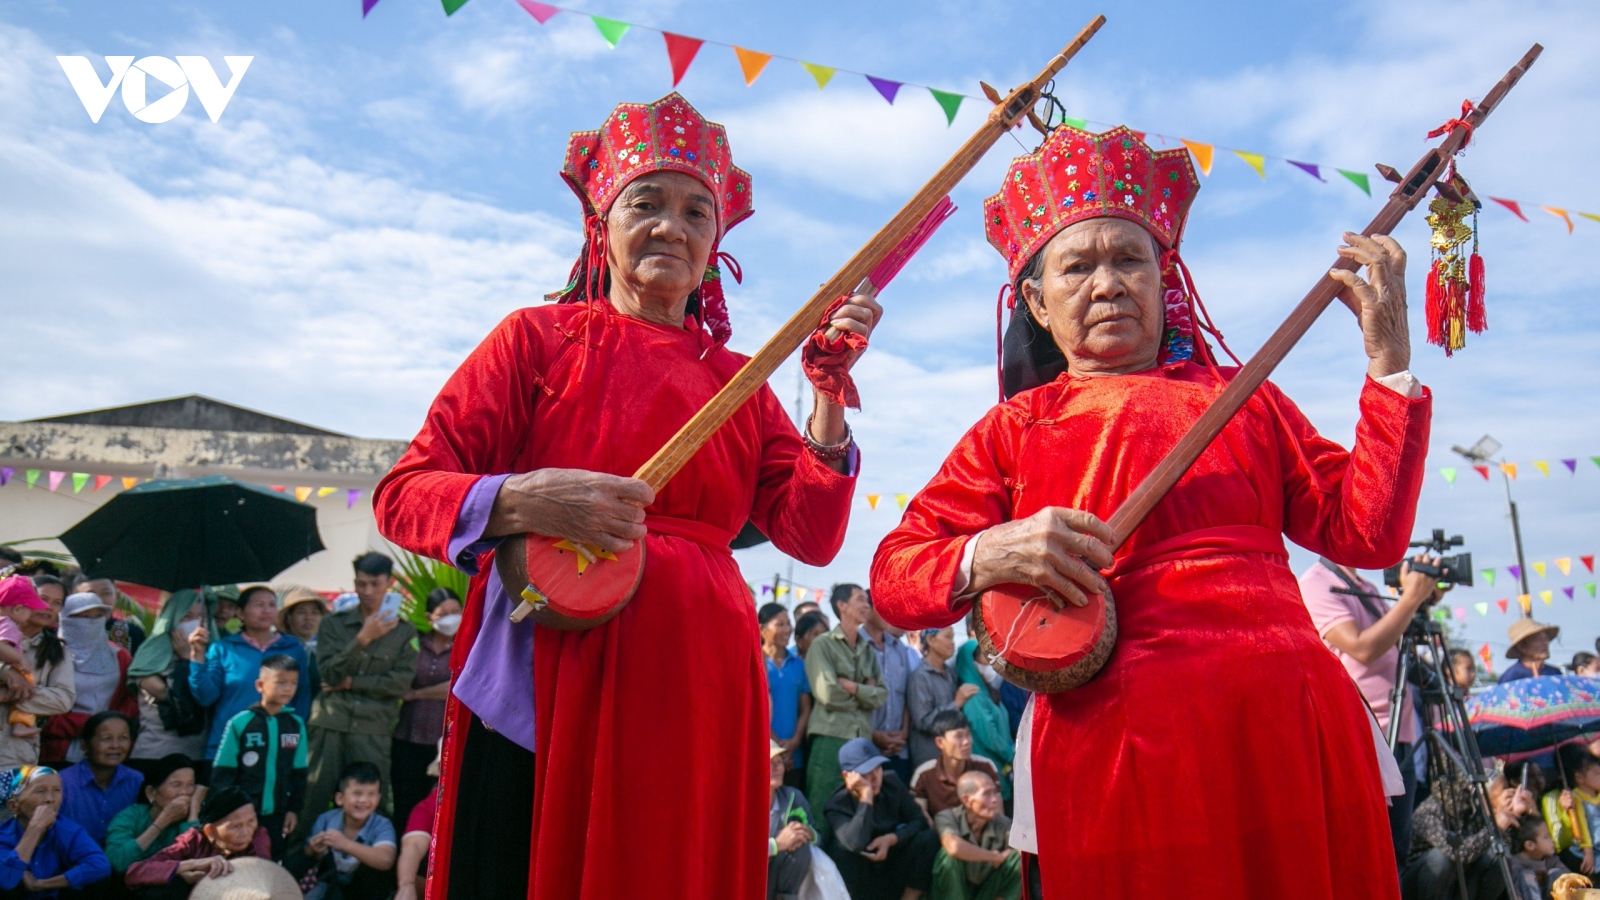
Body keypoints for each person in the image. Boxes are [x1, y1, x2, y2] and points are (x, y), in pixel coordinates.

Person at [872, 123, 1430, 898]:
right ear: (1035, 301)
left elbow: (1366, 533)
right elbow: (895, 578)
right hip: (1120, 749)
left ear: (1163, 276)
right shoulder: (1015, 428)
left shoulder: (1248, 400)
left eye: (1128, 259)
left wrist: (1389, 365)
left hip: (1284, 728)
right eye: (1078, 266)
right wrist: (989, 553)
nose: (1107, 284)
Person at [371, 93, 874, 898]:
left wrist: (826, 396)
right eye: (647, 204)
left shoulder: (739, 384)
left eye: (696, 212)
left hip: (696, 679)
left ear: (715, 244)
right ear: (600, 223)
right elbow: (405, 495)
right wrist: (524, 500)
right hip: (553, 660)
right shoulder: (534, 340)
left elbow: (811, 535)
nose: (672, 227)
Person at [1300, 554, 1444, 868]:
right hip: (1362, 733)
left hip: (1399, 729)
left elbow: (1393, 638)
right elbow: (1363, 648)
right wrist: (1411, 598)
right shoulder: (1316, 583)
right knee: (1375, 850)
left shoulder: (1364, 585)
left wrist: (1419, 601)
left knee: (1398, 849)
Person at [187, 587, 312, 769]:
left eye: (271, 605)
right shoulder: (223, 648)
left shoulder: (293, 648)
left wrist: (291, 739)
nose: (266, 610)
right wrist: (197, 656)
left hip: (276, 745)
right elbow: (205, 697)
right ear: (240, 613)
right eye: (259, 605)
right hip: (230, 746)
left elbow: (302, 696)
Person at [806, 585, 887, 835]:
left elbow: (881, 695)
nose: (867, 606)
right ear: (841, 606)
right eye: (860, 599)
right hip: (831, 737)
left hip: (861, 740)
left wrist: (852, 687)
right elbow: (828, 694)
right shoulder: (822, 645)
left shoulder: (867, 649)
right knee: (822, 804)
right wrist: (865, 691)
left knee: (858, 803)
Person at [211, 655, 307, 859]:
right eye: (281, 682)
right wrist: (229, 810)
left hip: (278, 813)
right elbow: (223, 773)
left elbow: (299, 772)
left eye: (293, 683)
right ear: (260, 685)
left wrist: (293, 809)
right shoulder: (240, 723)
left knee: (272, 858)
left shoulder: (296, 724)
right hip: (243, 815)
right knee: (240, 860)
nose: (288, 689)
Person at [823, 737, 938, 900]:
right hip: (861, 875)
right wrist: (866, 797)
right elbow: (855, 843)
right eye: (865, 773)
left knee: (929, 838)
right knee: (841, 851)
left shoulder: (891, 782)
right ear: (847, 776)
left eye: (877, 769)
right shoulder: (837, 803)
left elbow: (919, 821)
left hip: (892, 864)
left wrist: (892, 839)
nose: (874, 777)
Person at [389, 588, 457, 832]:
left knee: (437, 807)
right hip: (407, 736)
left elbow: (456, 686)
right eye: (443, 613)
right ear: (429, 617)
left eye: (455, 611)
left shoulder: (465, 646)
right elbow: (398, 679)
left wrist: (416, 694)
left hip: (443, 740)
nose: (451, 618)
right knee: (404, 801)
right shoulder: (415, 643)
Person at [1406, 767, 1530, 900]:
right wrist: (1495, 826)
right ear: (1481, 794)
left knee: (1499, 855)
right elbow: (1457, 854)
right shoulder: (1429, 812)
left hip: (1457, 885)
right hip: (1421, 887)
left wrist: (1516, 814)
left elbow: (1513, 849)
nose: (1507, 796)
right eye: (1503, 791)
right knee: (1441, 859)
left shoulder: (1476, 810)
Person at [125, 591, 212, 780]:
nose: (195, 624)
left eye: (201, 618)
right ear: (172, 618)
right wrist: (186, 659)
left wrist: (193, 656)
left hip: (199, 756)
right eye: (187, 617)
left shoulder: (213, 656)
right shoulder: (149, 656)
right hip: (155, 755)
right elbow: (176, 698)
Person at [125, 787, 271, 899]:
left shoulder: (258, 835)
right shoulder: (193, 840)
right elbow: (134, 873)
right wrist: (190, 866)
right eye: (235, 826)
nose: (246, 832)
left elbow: (260, 873)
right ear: (210, 831)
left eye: (251, 821)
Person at [43, 594, 136, 767]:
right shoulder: (48, 654)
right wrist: (87, 725)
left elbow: (130, 698)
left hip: (110, 751)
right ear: (66, 619)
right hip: (58, 751)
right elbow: (39, 706)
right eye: (84, 617)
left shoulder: (119, 656)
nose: (91, 623)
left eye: (97, 617)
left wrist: (113, 725)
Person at [0, 765, 112, 896]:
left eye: (57, 790)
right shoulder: (3, 836)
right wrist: (35, 829)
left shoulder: (66, 829)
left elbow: (100, 865)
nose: (50, 799)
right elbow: (7, 880)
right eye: (40, 791)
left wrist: (41, 884)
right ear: (14, 806)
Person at [292, 763, 395, 900]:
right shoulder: (326, 819)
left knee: (374, 875)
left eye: (371, 794)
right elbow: (310, 857)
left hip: (363, 890)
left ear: (379, 798)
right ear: (340, 798)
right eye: (357, 794)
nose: (364, 800)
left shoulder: (382, 824)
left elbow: (386, 860)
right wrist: (313, 850)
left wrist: (345, 844)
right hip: (329, 883)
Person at [0, 599, 74, 770]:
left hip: (14, 751)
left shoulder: (56, 650)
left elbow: (63, 699)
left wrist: (10, 693)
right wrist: (5, 670)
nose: (48, 607)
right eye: (43, 599)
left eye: (57, 602)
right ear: (19, 604)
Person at [58, 711, 144, 846]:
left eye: (123, 738)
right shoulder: (62, 782)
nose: (115, 745)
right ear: (84, 745)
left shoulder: (136, 781)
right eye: (106, 738)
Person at [932, 770, 1020, 900]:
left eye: (995, 792)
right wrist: (994, 857)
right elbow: (954, 847)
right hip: (952, 892)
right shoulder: (947, 817)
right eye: (987, 794)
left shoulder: (1001, 822)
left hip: (985, 892)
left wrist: (1013, 852)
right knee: (947, 856)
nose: (995, 800)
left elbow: (1022, 848)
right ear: (967, 800)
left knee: (1018, 859)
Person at [105, 755, 200, 874]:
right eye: (176, 785)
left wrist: (193, 815)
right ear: (151, 792)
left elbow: (197, 860)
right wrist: (163, 821)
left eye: (190, 785)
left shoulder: (196, 816)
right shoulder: (130, 816)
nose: (184, 792)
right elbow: (117, 862)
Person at [861, 600, 919, 782]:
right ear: (867, 611)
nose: (891, 615)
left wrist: (903, 732)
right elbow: (852, 700)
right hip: (865, 748)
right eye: (883, 609)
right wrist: (875, 735)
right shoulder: (854, 645)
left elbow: (907, 695)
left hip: (899, 748)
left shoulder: (900, 648)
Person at [907, 627, 980, 769]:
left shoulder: (950, 673)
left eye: (953, 637)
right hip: (931, 760)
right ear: (931, 640)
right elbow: (923, 722)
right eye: (947, 637)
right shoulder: (920, 677)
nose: (952, 642)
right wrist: (955, 704)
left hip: (953, 759)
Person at [910, 710, 1001, 817]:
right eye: (959, 736)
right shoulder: (924, 774)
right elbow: (921, 817)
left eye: (968, 734)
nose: (966, 742)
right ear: (940, 742)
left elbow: (998, 815)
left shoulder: (985, 766)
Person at [760, 604, 812, 786]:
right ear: (762, 629)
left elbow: (805, 708)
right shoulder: (756, 662)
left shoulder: (798, 664)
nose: (787, 629)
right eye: (780, 624)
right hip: (765, 751)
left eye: (788, 623)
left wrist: (795, 740)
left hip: (795, 754)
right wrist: (776, 744)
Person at [768, 739, 816, 900]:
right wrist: (777, 844)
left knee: (800, 847)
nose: (776, 768)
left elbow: (818, 836)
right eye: (769, 763)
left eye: (779, 762)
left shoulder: (793, 796)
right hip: (746, 884)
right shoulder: (740, 806)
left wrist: (806, 833)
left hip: (781, 885)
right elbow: (736, 854)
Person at [1544, 747, 1600, 875]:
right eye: (1597, 773)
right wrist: (1588, 851)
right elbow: (1582, 827)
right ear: (1579, 777)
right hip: (1592, 846)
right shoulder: (1574, 798)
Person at [276, 588, 326, 712]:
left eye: (315, 613)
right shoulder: (279, 648)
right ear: (289, 618)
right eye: (301, 612)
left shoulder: (326, 649)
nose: (308, 618)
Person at [71, 579, 145, 655]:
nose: (99, 600)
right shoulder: (66, 632)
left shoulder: (132, 633)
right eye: (90, 594)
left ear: (116, 596)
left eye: (106, 593)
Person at [1510, 815, 1573, 900]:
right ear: (1530, 845)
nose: (1552, 840)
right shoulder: (1516, 863)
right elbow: (1516, 894)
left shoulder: (1551, 860)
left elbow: (1571, 879)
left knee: (1557, 873)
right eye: (1546, 837)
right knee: (1527, 876)